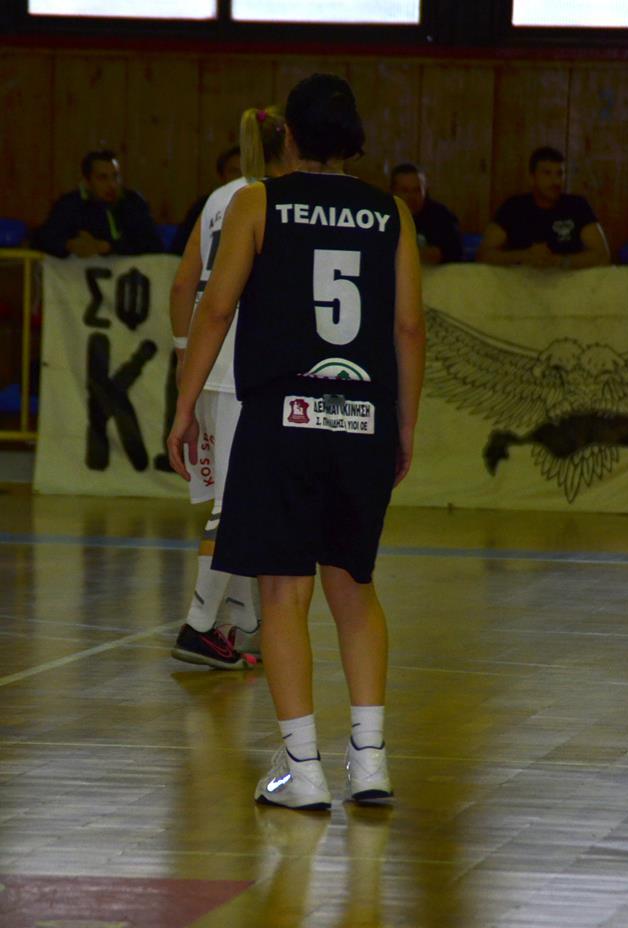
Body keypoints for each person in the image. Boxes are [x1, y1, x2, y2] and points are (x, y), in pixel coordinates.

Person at [167, 73, 425, 810]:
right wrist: (404, 424)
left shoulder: (258, 202)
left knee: (284, 591)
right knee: (355, 588)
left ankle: (302, 768)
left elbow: (216, 309)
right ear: (355, 140)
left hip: (282, 417)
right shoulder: (392, 213)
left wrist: (185, 406)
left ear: (288, 136)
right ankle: (369, 761)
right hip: (361, 417)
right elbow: (409, 327)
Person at [170, 106, 291, 671]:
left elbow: (183, 284)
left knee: (237, 499)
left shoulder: (220, 197)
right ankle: (198, 625)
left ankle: (241, 623)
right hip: (247, 364)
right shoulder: (275, 199)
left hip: (209, 364)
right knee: (236, 504)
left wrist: (184, 356)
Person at [477, 146, 610, 268]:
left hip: (569, 282)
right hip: (520, 282)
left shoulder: (577, 206)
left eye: (560, 174)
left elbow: (603, 256)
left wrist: (560, 261)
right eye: (547, 173)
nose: (556, 181)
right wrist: (524, 256)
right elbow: (483, 255)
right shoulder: (513, 207)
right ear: (532, 178)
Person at [34, 149, 163, 258]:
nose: (112, 185)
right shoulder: (70, 204)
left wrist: (108, 247)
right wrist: (68, 245)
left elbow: (154, 245)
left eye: (115, 177)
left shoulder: (133, 202)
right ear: (86, 182)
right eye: (103, 178)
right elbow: (41, 240)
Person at [170, 146, 242, 256]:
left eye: (247, 172)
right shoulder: (205, 206)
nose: (241, 177)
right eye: (234, 171)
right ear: (222, 176)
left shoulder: (263, 205)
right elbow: (180, 249)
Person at [390, 163, 463, 264]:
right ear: (393, 192)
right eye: (405, 191)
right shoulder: (382, 216)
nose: (411, 197)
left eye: (417, 190)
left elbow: (454, 252)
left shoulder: (441, 216)